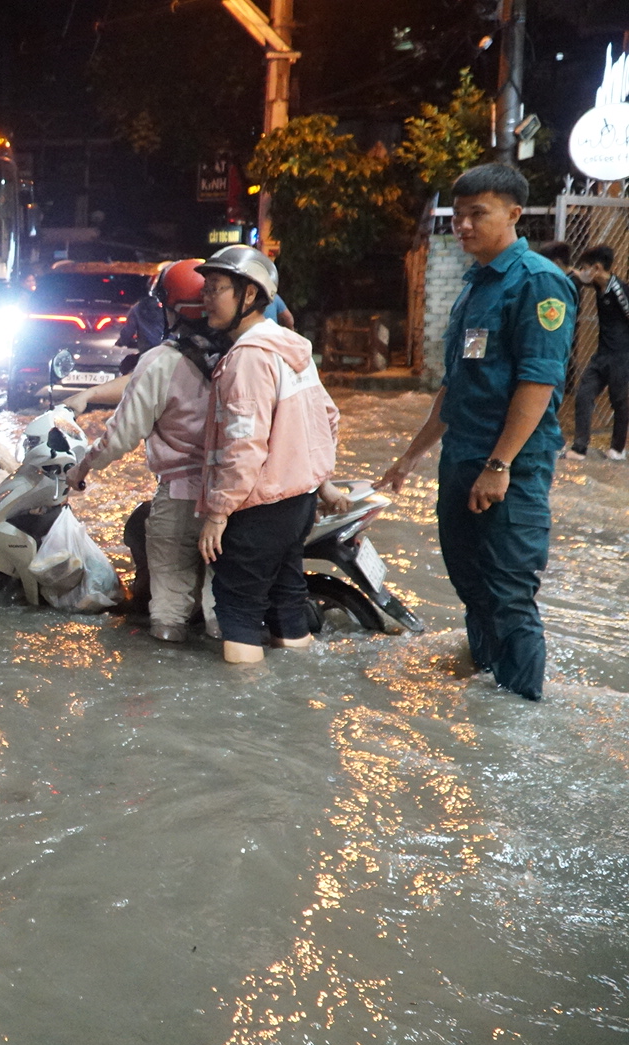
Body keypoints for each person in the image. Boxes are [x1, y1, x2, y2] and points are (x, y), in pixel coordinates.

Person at [379, 163, 574, 701]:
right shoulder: (472, 289)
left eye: (476, 214)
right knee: (473, 589)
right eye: (458, 215)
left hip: (510, 469)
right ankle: (488, 697)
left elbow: (537, 383)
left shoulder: (537, 282)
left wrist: (500, 464)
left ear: (513, 214)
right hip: (462, 461)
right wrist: (411, 457)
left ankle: (520, 717)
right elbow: (457, 387)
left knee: (509, 596)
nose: (462, 225)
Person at [194, 245, 341, 665]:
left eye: (216, 289)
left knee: (238, 607)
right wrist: (319, 480)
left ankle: (242, 720)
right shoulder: (291, 349)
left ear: (250, 296)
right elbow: (329, 416)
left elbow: (242, 446)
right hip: (298, 503)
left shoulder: (248, 359)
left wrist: (219, 513)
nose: (205, 298)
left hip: (256, 507)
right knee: (286, 600)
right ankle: (293, 701)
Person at [66, 259, 218, 642]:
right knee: (225, 604)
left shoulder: (162, 361)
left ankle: (164, 673)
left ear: (171, 309)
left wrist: (82, 468)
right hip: (240, 495)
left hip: (183, 497)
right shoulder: (246, 354)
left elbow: (119, 437)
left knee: (168, 606)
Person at [565, 244, 628, 461]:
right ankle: (579, 448)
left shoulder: (619, 290)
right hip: (602, 355)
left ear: (597, 267)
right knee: (584, 395)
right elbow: (581, 277)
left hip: (621, 357)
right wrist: (570, 270)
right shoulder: (600, 285)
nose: (583, 272)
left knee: (620, 402)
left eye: (585, 267)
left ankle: (617, 449)